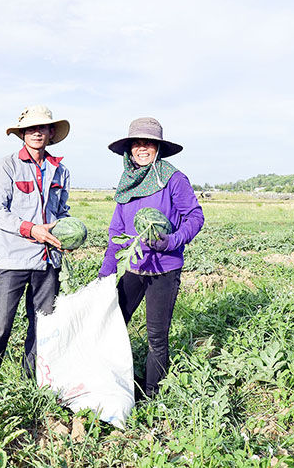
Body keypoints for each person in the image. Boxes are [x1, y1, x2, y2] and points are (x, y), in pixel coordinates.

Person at [98, 117, 204, 398]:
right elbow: (116, 232)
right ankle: (117, 384)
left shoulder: (173, 179)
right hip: (132, 268)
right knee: (115, 326)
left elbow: (195, 216)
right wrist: (106, 274)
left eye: (148, 143)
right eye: (137, 143)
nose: (142, 148)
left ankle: (151, 395)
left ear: (158, 148)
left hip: (164, 269)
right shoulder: (126, 183)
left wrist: (172, 241)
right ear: (129, 150)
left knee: (157, 337)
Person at [0, 105, 72, 407]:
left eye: (43, 127)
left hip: (47, 261)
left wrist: (66, 234)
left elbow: (63, 211)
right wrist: (33, 229)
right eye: (31, 128)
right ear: (22, 133)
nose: (37, 132)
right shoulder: (4, 167)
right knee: (2, 324)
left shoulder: (60, 170)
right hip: (13, 260)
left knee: (41, 325)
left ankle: (32, 382)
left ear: (52, 133)